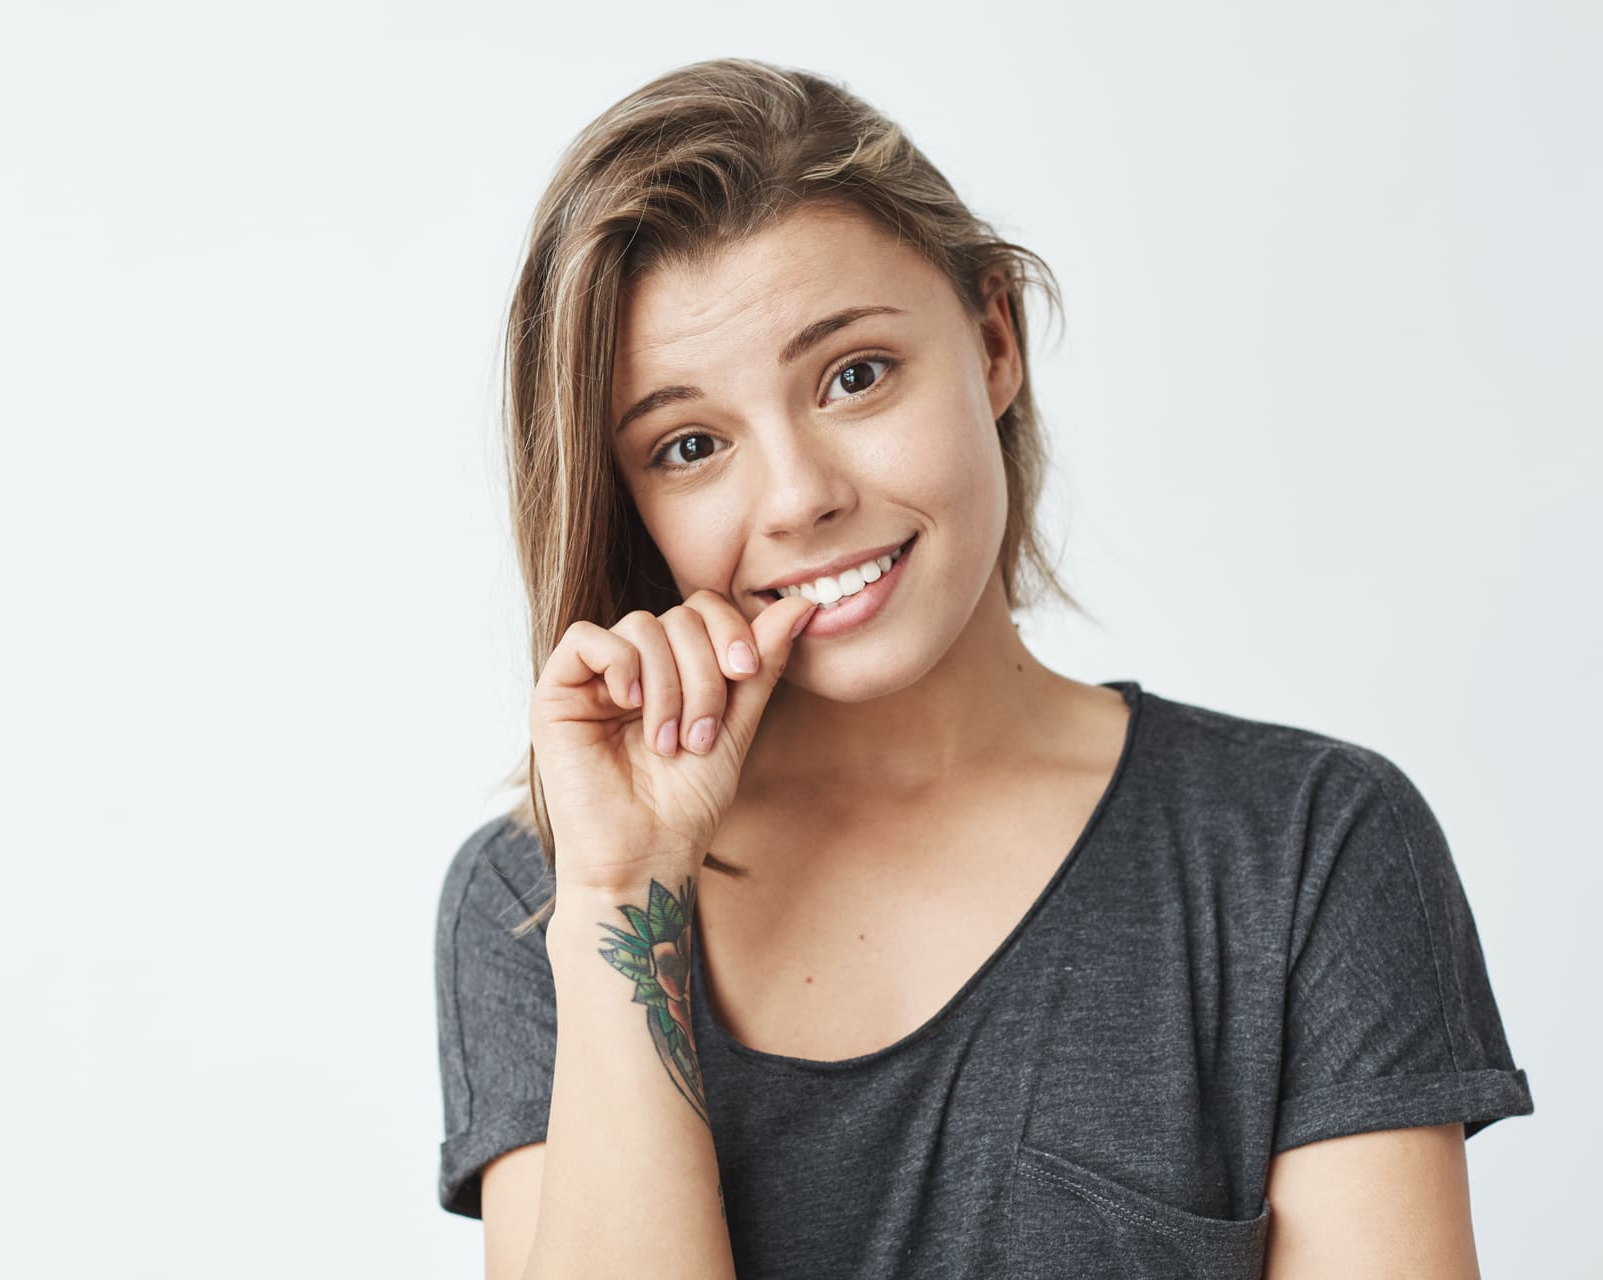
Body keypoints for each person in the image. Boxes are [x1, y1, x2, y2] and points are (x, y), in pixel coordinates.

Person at [434, 57, 1533, 1280]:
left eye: (854, 375)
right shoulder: (537, 899)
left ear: (994, 338)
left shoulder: (1302, 849)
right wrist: (624, 885)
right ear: (631, 499)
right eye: (692, 444)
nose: (800, 497)